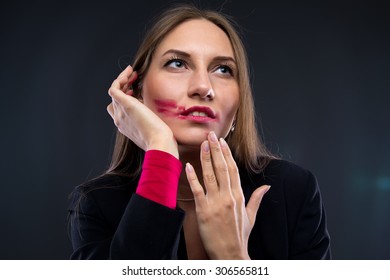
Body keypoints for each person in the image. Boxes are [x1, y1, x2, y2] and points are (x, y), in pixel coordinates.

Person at [68, 4, 331, 260]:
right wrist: (160, 147)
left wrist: (233, 258)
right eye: (177, 64)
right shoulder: (97, 204)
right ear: (136, 92)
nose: (203, 87)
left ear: (240, 103)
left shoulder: (293, 192)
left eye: (223, 69)